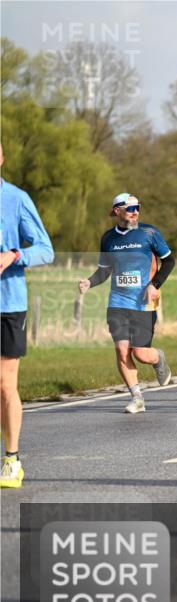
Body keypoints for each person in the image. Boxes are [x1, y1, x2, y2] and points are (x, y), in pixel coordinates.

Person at [78, 193, 175, 413]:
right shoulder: (108, 239)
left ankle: (158, 358)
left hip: (143, 302)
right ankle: (137, 397)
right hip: (118, 301)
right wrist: (89, 282)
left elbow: (169, 261)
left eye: (137, 208)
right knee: (122, 351)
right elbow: (105, 270)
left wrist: (155, 284)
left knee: (140, 353)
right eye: (130, 208)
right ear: (116, 211)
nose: (135, 212)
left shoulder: (149, 233)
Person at [0, 144, 55, 488]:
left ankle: (12, 460)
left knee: (5, 384)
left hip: (8, 304)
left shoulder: (16, 199)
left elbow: (45, 250)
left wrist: (14, 255)